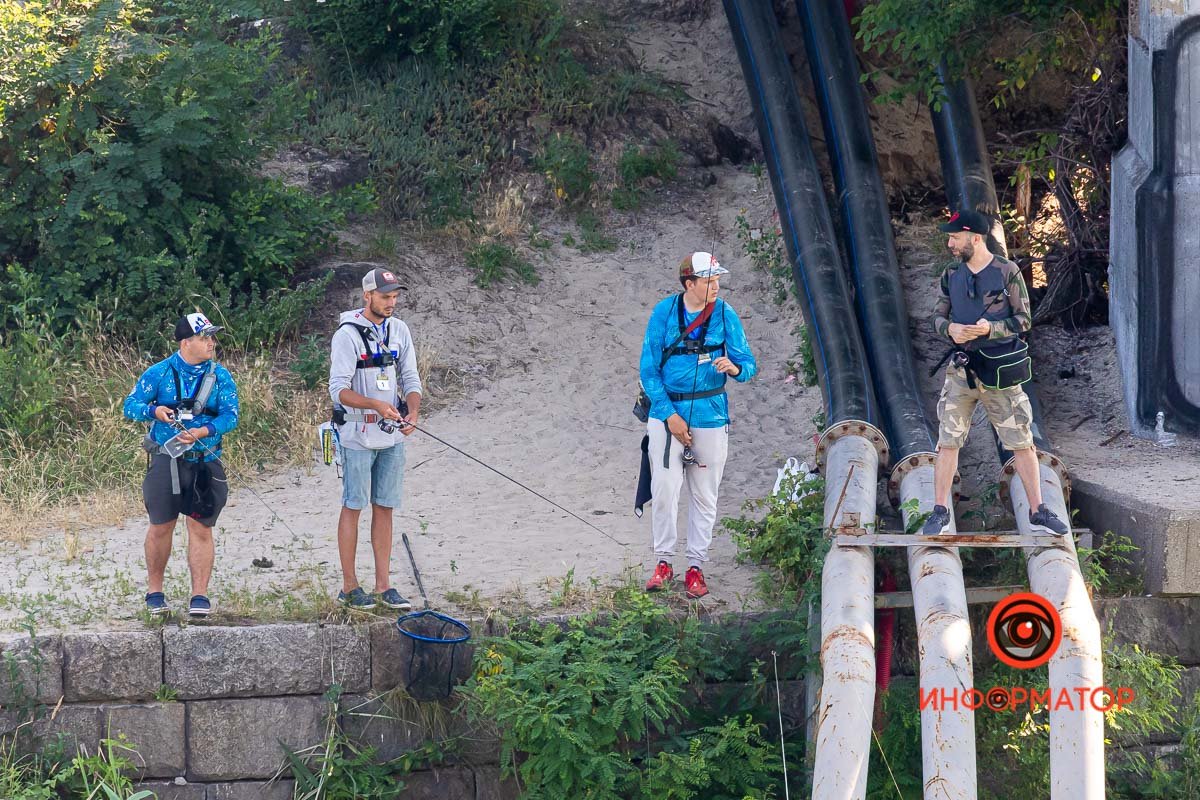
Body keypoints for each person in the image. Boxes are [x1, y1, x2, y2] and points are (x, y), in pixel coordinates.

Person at [924, 209, 1068, 536]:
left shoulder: (1007, 271)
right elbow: (935, 317)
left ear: (976, 237)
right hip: (961, 370)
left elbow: (1025, 320)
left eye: (955, 237)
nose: (950, 243)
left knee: (1022, 442)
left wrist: (992, 328)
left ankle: (1038, 510)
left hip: (1000, 373)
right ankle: (939, 510)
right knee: (947, 442)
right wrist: (950, 329)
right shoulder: (951, 274)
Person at [639, 252, 757, 598]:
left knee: (704, 494)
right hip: (667, 414)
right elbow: (648, 370)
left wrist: (733, 369)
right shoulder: (663, 313)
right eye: (709, 280)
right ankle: (663, 562)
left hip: (710, 413)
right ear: (690, 283)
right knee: (664, 488)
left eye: (718, 279)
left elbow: (748, 365)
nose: (716, 286)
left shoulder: (725, 313)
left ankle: (695, 567)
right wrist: (670, 416)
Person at [123, 312, 240, 617]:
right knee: (161, 525)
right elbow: (129, 406)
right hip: (166, 457)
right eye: (205, 338)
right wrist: (155, 410)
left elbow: (231, 417)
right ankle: (155, 593)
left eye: (212, 337)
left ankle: (199, 596)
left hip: (206, 459)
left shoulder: (221, 376)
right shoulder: (158, 373)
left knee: (201, 526)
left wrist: (203, 431)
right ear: (186, 342)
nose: (212, 343)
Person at [328, 267, 422, 610]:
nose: (391, 302)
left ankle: (384, 586)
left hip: (391, 435)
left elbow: (411, 378)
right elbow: (338, 390)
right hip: (355, 433)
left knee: (385, 506)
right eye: (385, 296)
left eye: (395, 296)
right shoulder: (347, 335)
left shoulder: (400, 330)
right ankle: (349, 586)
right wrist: (375, 405)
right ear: (367, 296)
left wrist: (412, 412)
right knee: (354, 504)